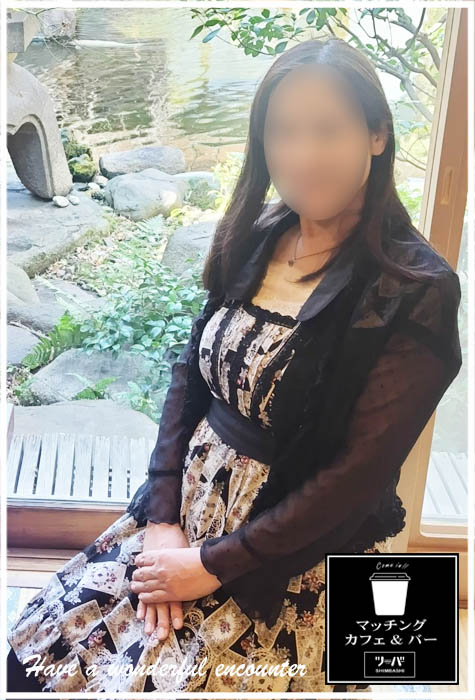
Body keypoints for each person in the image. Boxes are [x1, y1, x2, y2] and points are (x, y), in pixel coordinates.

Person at [7, 37, 462, 694]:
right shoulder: (259, 232)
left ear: (376, 135)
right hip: (183, 513)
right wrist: (162, 521)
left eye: (327, 130)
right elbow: (188, 376)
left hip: (289, 551)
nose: (302, 155)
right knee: (39, 650)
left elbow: (355, 478)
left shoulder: (413, 288)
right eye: (283, 132)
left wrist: (210, 566)